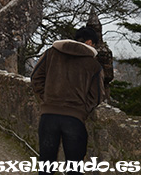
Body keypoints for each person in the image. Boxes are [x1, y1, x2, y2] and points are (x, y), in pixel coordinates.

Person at [31, 26, 105, 172]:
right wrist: (82, 110)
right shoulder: (94, 65)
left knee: (46, 165)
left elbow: (35, 78)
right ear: (90, 42)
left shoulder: (51, 53)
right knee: (74, 166)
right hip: (74, 119)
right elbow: (97, 96)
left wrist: (46, 99)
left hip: (48, 116)